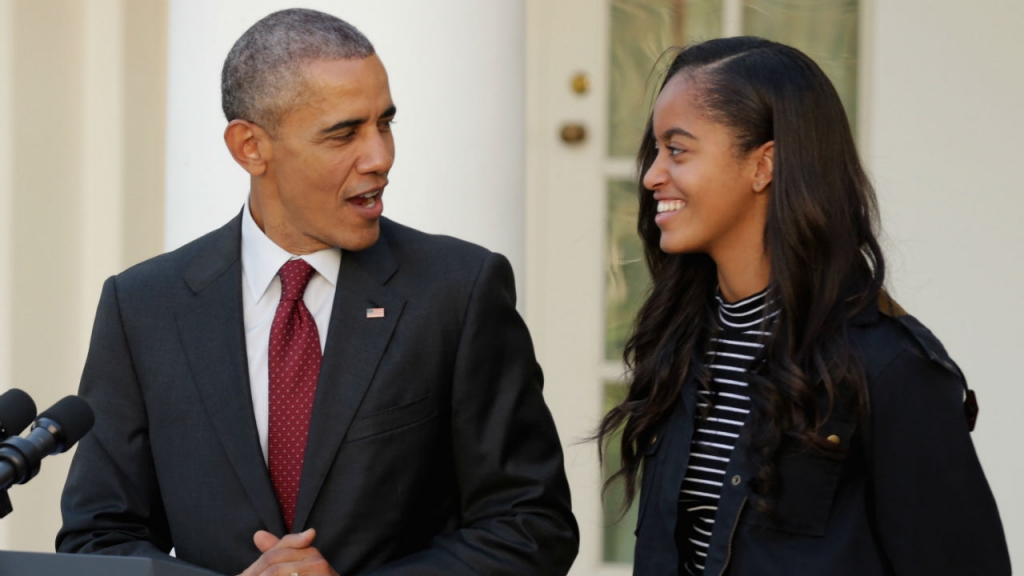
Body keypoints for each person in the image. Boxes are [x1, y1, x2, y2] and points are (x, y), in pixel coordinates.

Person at [58, 9, 578, 576]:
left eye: (385, 124)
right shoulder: (143, 308)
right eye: (344, 133)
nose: (380, 157)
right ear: (250, 147)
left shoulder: (459, 290)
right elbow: (97, 539)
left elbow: (531, 524)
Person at [598, 37, 1010, 575]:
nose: (652, 174)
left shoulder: (889, 366)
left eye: (677, 150)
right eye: (655, 151)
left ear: (763, 166)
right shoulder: (679, 344)